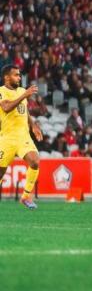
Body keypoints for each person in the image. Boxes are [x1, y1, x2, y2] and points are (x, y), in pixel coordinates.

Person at [0, 65, 43, 209]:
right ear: (6, 77)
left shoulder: (21, 91)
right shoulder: (1, 91)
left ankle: (25, 196)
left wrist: (33, 126)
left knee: (35, 161)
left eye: (19, 75)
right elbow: (6, 108)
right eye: (16, 75)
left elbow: (25, 111)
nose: (19, 77)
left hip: (23, 136)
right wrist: (24, 95)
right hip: (7, 138)